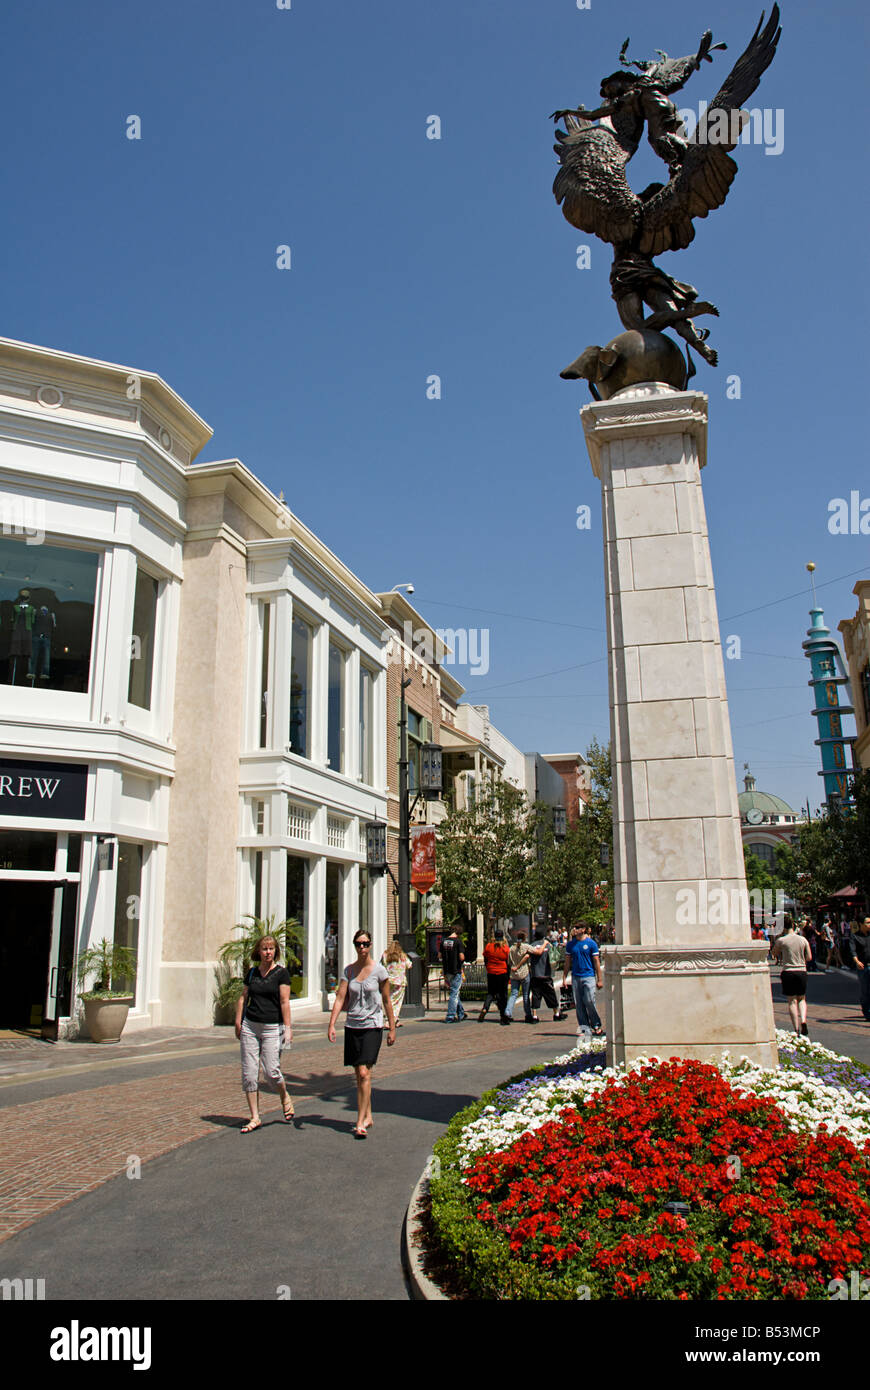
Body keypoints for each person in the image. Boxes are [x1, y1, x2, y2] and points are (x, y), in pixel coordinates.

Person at [328, 928, 396, 1137]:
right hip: (353, 1026)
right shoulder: (348, 971)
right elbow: (340, 997)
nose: (362, 947)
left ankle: (360, 1122)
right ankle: (368, 1114)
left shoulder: (380, 972)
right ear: (354, 946)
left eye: (366, 943)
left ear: (371, 945)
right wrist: (332, 1024)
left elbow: (386, 1000)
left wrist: (391, 1027)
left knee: (365, 1072)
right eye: (359, 944)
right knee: (359, 1074)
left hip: (373, 1026)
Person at [235, 933, 294, 1133]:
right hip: (251, 1026)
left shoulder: (281, 973)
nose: (268, 952)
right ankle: (254, 1117)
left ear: (275, 952)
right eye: (264, 949)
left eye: (271, 949)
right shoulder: (252, 973)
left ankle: (284, 1094)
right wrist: (238, 1021)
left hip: (272, 1027)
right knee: (249, 1074)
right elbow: (244, 998)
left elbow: (285, 1001)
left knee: (271, 1072)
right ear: (258, 951)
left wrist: (288, 1028)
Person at [561, 922, 604, 1037]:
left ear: (584, 929)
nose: (575, 929)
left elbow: (596, 962)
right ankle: (584, 1027)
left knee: (590, 1001)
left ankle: (596, 1024)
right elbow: (567, 962)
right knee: (579, 1004)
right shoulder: (571, 945)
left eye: (578, 927)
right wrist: (564, 977)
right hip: (576, 976)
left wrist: (600, 979)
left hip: (588, 976)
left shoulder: (591, 944)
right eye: (575, 927)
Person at [773, 914, 813, 1037]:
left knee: (791, 1001)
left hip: (788, 971)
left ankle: (796, 1028)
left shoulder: (782, 940)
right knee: (802, 998)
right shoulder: (802, 940)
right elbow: (809, 957)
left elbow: (774, 953)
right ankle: (803, 1020)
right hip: (801, 970)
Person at [524, 927, 567, 1022]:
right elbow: (554, 957)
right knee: (551, 995)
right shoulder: (548, 946)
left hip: (535, 974)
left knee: (535, 995)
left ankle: (534, 1016)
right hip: (546, 974)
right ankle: (556, 1013)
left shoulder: (532, 946)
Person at [479, 928, 511, 1025]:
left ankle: (485, 1007)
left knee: (491, 993)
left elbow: (485, 957)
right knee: (503, 995)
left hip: (491, 972)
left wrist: (488, 967)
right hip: (502, 972)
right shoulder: (505, 948)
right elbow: (508, 961)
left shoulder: (489, 946)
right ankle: (503, 1015)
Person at [381, 936, 412, 1026]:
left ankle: (394, 1019)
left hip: (389, 981)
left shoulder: (385, 955)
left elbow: (382, 965)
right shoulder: (402, 956)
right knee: (397, 1001)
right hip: (400, 982)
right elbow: (409, 965)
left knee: (389, 999)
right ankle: (391, 1020)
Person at [440, 925, 467, 1022]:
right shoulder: (458, 942)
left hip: (447, 970)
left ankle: (461, 1013)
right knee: (454, 993)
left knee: (454, 992)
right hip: (456, 970)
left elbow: (439, 955)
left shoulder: (443, 941)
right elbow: (461, 957)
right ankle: (450, 1015)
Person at [507, 929, 534, 1023]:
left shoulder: (511, 948)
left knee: (514, 994)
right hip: (524, 973)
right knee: (526, 994)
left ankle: (507, 1012)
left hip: (514, 974)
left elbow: (509, 962)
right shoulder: (526, 947)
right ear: (524, 938)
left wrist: (513, 967)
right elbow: (537, 951)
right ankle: (528, 1014)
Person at [851, 918, 870, 1022]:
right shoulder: (855, 936)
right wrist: (857, 961)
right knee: (865, 991)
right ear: (860, 924)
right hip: (863, 967)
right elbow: (853, 951)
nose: (869, 924)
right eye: (867, 923)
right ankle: (867, 1012)